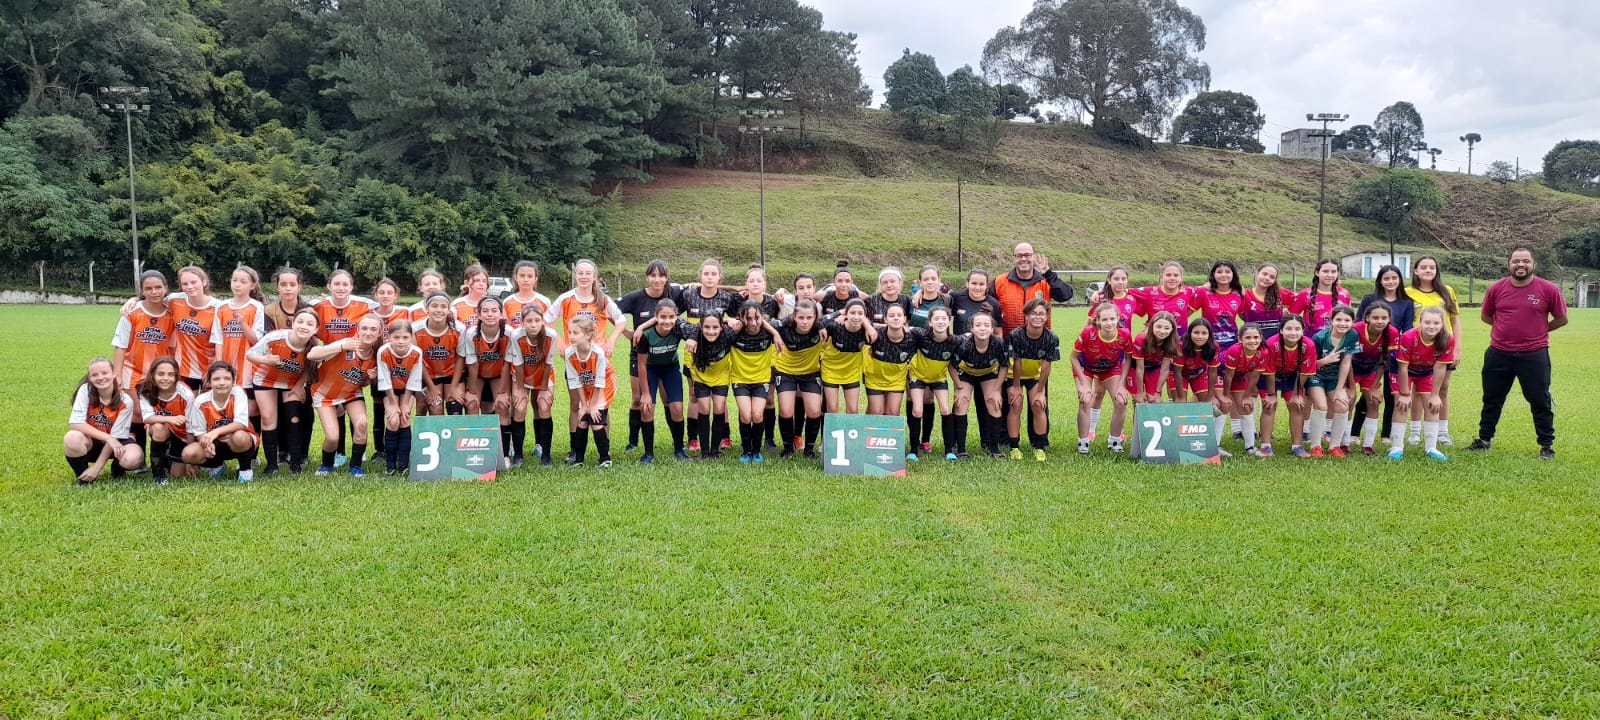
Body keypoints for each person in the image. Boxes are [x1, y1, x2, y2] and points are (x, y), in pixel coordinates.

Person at [1469, 248, 1568, 459]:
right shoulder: (1496, 288)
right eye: (1516, 261)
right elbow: (1486, 316)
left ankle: (1546, 446)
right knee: (1492, 398)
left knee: (1540, 400)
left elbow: (1561, 318)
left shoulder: (1548, 289)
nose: (1520, 265)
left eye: (1525, 261)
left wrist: (1540, 331)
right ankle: (1484, 440)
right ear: (1509, 265)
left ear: (1534, 265)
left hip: (1534, 354)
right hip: (1499, 353)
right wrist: (1503, 329)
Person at [618, 260, 683, 453]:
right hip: (641, 355)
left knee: (668, 401)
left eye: (661, 275)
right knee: (639, 399)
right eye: (653, 275)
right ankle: (633, 442)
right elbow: (610, 310)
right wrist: (626, 331)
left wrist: (641, 325)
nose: (657, 279)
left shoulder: (673, 294)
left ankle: (678, 445)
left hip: (666, 359)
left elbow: (698, 287)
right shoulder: (636, 297)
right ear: (647, 277)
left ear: (666, 278)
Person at [247, 306, 321, 474]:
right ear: (293, 323)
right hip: (265, 379)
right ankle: (271, 465)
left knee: (294, 418)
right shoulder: (275, 337)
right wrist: (266, 359)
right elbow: (250, 355)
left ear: (315, 329)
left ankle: (295, 465)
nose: (304, 326)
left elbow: (310, 369)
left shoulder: (314, 345)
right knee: (268, 419)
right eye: (300, 321)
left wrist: (299, 386)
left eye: (310, 324)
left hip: (291, 383)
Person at [307, 314, 381, 476]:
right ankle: (326, 464)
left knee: (361, 424)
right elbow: (312, 355)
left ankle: (355, 466)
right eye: (365, 328)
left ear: (379, 333)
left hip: (351, 394)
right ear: (358, 330)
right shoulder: (347, 343)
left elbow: (361, 382)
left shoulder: (377, 355)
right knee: (333, 437)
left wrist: (370, 378)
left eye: (373, 329)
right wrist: (340, 347)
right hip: (324, 394)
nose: (368, 333)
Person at [1352, 265, 1412, 447]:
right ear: (1380, 281)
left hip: (1392, 353)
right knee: (1368, 394)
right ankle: (1354, 433)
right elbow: (1359, 324)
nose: (1391, 281)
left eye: (1394, 277)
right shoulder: (1370, 299)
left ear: (1400, 280)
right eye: (1386, 278)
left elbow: (1408, 329)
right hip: (1366, 353)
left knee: (1389, 393)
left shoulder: (1406, 302)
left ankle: (1386, 434)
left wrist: (1399, 351)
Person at [1405, 256, 1461, 445]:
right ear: (1415, 271)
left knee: (1442, 389)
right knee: (1417, 390)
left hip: (1443, 346)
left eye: (1432, 267)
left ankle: (1442, 432)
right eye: (1423, 267)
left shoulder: (1447, 291)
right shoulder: (1407, 292)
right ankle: (1414, 432)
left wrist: (1458, 349)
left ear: (1437, 270)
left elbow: (1454, 320)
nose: (1428, 270)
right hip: (1417, 347)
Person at [632, 299, 695, 463]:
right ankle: (648, 453)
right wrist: (645, 393)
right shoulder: (646, 335)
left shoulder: (678, 329)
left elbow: (696, 329)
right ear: (656, 317)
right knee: (647, 408)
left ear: (676, 317)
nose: (667, 321)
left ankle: (679, 450)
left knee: (677, 408)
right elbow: (641, 365)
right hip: (651, 370)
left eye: (671, 317)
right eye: (663, 317)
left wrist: (691, 339)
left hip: (670, 369)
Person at [64, 356, 145, 484]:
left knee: (134, 457)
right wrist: (107, 438)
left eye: (105, 373)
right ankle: (84, 478)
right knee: (72, 438)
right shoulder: (86, 390)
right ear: (90, 378)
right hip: (92, 442)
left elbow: (116, 437)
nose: (101, 377)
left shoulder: (125, 401)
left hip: (117, 443)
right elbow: (76, 423)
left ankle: (117, 469)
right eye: (95, 375)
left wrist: (97, 468)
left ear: (114, 374)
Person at [1390, 307, 1455, 461]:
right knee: (1402, 405)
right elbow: (1403, 367)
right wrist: (1405, 395)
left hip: (1426, 370)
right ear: (1420, 322)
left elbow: (1440, 367)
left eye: (1436, 323)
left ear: (1442, 324)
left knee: (1433, 405)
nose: (1431, 326)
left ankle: (1431, 447)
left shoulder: (1448, 339)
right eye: (1427, 322)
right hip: (1403, 369)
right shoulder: (1408, 337)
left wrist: (1435, 395)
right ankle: (1397, 447)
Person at [180, 361, 258, 483]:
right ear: (209, 382)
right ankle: (216, 466)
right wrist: (206, 443)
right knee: (188, 453)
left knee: (239, 436)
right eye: (216, 379)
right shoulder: (200, 401)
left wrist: (216, 432)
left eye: (227, 378)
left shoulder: (238, 392)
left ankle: (245, 470)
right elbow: (199, 432)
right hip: (215, 443)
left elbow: (241, 423)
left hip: (239, 439)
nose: (222, 383)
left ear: (233, 381)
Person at [1074, 303, 1132, 454]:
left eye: (1112, 318)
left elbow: (1128, 359)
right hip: (1085, 367)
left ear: (1118, 318)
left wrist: (1122, 385)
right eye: (1105, 319)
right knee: (1086, 399)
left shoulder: (1124, 335)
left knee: (1121, 401)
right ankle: (1083, 441)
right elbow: (1073, 357)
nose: (1109, 323)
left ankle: (1114, 440)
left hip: (1110, 368)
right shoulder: (1088, 333)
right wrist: (1084, 384)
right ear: (1098, 321)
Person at [1007, 299, 1060, 461]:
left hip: (1034, 376)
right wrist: (1016, 386)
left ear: (1046, 317)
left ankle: (1040, 447)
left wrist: (1040, 391)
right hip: (1013, 375)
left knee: (1038, 405)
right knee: (1016, 404)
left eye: (1041, 314)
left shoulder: (1051, 338)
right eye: (1034, 313)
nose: (1037, 317)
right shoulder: (1016, 335)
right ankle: (1014, 446)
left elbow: (1046, 366)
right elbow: (1017, 362)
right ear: (1026, 316)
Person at [773, 299, 826, 459]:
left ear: (815, 318)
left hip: (810, 374)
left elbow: (845, 313)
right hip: (786, 372)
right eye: (801, 318)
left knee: (815, 410)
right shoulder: (783, 326)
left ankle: (809, 450)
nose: (804, 321)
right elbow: (762, 322)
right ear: (794, 316)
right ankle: (788, 448)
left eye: (809, 318)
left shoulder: (822, 325)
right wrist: (775, 334)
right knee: (786, 410)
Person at [953, 312, 1009, 458]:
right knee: (961, 402)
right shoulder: (964, 343)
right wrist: (959, 387)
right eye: (978, 325)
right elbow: (952, 366)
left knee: (994, 403)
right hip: (966, 372)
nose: (982, 328)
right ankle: (961, 449)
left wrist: (997, 390)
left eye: (986, 325)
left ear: (992, 329)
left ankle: (995, 449)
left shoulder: (998, 343)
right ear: (971, 329)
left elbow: (1004, 366)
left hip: (988, 373)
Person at [509, 305, 560, 466]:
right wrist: (519, 389)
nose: (533, 324)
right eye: (529, 321)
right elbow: (518, 364)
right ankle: (518, 455)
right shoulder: (516, 335)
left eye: (537, 320)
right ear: (522, 322)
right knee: (519, 406)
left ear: (542, 321)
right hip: (521, 374)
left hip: (543, 374)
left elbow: (547, 364)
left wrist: (544, 389)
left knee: (544, 405)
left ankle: (546, 455)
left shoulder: (550, 335)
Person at [563, 315, 615, 468]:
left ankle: (605, 459)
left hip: (605, 384)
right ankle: (579, 460)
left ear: (587, 335)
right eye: (570, 332)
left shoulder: (598, 353)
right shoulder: (569, 353)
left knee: (596, 418)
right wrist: (584, 405)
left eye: (575, 333)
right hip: (586, 385)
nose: (571, 336)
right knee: (582, 419)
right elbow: (575, 381)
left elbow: (600, 381)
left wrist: (592, 406)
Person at [1306, 305, 1357, 456]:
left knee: (1342, 406)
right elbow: (1308, 365)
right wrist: (1325, 361)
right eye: (1338, 319)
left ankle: (1334, 446)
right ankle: (1315, 445)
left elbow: (1346, 363)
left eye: (1347, 320)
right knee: (1321, 406)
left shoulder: (1352, 335)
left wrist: (1340, 389)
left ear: (1352, 321)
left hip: (1334, 377)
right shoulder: (1320, 337)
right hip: (1316, 375)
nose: (1342, 323)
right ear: (1331, 321)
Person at [909, 306, 958, 460]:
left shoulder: (954, 341)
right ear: (930, 322)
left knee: (945, 410)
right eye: (936, 318)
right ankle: (913, 450)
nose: (940, 321)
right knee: (917, 411)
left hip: (938, 378)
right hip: (918, 376)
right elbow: (901, 328)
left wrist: (959, 384)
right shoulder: (920, 335)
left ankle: (949, 450)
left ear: (949, 321)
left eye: (944, 318)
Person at [1351, 303, 1399, 455]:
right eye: (1376, 317)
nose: (1380, 321)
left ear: (1389, 319)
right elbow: (1346, 360)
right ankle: (1343, 442)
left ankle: (1368, 445)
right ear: (1367, 318)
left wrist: (1373, 387)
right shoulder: (1355, 330)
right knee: (1347, 400)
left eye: (1384, 318)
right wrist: (1351, 386)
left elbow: (1383, 363)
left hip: (1371, 371)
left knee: (1374, 401)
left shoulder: (1392, 332)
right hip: (1350, 369)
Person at [992, 242, 1072, 335]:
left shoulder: (1046, 281)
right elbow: (986, 307)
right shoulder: (999, 282)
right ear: (1014, 259)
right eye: (1019, 256)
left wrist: (1048, 274)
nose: (1023, 259)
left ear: (1033, 257)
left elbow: (1066, 296)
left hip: (1039, 342)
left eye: (1027, 255)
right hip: (1008, 342)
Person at [376, 318, 423, 474]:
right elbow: (385, 380)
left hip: (407, 390)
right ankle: (390, 466)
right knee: (394, 418)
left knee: (404, 418)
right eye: (396, 337)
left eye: (405, 337)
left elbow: (414, 380)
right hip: (390, 391)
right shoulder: (383, 351)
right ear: (389, 337)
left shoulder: (416, 353)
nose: (401, 341)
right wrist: (394, 404)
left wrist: (405, 404)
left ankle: (403, 465)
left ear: (411, 337)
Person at [136, 357, 193, 485]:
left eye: (170, 374)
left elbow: (190, 427)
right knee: (158, 427)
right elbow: (147, 418)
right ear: (152, 375)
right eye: (161, 374)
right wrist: (170, 419)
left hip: (181, 434)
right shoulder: (144, 389)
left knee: (177, 474)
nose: (166, 378)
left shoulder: (186, 393)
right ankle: (158, 474)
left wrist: (190, 461)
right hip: (162, 429)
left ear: (176, 376)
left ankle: (167, 456)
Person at [1221, 325, 1270, 455]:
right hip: (1222, 374)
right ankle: (1215, 446)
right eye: (1247, 337)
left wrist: (1247, 396)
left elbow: (1254, 376)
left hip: (1239, 376)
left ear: (1261, 338)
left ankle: (1250, 447)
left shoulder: (1263, 352)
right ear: (1240, 339)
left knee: (1247, 407)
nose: (1252, 341)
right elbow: (1228, 375)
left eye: (1255, 337)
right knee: (1223, 405)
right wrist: (1225, 395)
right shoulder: (1234, 350)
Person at [413, 292, 465, 416]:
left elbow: (460, 358)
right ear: (426, 308)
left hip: (451, 375)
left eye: (443, 306)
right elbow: (417, 361)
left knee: (455, 407)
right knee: (435, 408)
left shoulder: (459, 329)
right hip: (428, 376)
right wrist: (431, 388)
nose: (439, 310)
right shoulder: (415, 329)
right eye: (434, 306)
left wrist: (453, 388)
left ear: (449, 310)